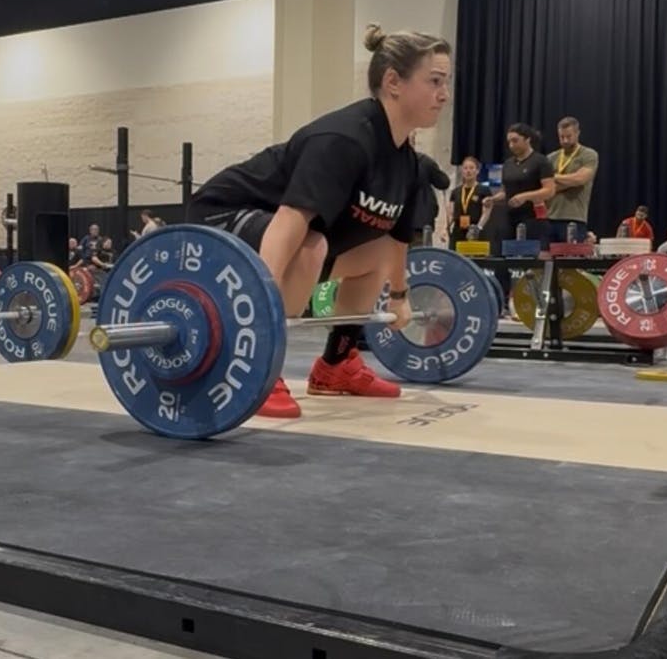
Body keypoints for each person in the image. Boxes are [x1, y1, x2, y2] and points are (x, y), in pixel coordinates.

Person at [188, 25, 451, 418]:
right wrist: (261, 303)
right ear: (393, 82)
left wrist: (400, 298)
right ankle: (257, 367)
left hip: (289, 233)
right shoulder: (344, 140)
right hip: (220, 215)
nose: (444, 94)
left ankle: (337, 364)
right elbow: (289, 222)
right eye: (435, 81)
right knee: (311, 246)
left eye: (446, 83)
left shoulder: (408, 165)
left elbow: (395, 243)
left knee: (373, 251)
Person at [482, 123, 556, 247]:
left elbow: (549, 190)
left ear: (527, 139)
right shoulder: (508, 164)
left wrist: (525, 196)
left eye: (515, 141)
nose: (511, 145)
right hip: (509, 217)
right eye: (509, 142)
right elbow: (505, 192)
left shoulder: (541, 161)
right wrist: (493, 199)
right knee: (507, 251)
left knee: (529, 253)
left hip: (533, 217)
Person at [545, 117, 599, 242]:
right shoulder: (551, 158)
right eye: (561, 137)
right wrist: (569, 182)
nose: (565, 140)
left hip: (574, 217)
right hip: (550, 217)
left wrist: (553, 177)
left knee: (571, 254)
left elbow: (580, 179)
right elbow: (543, 186)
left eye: (569, 136)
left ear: (577, 133)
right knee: (546, 253)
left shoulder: (588, 154)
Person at [409, 149, 450, 245]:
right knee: (421, 251)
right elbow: (443, 183)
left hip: (395, 222)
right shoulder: (425, 161)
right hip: (421, 220)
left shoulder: (392, 162)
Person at [449, 157, 492, 245]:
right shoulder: (455, 192)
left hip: (476, 230)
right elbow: (451, 214)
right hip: (458, 231)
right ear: (462, 171)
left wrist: (478, 228)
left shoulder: (484, 190)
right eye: (465, 168)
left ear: (477, 171)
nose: (468, 171)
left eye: (471, 168)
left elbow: (486, 212)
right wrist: (445, 229)